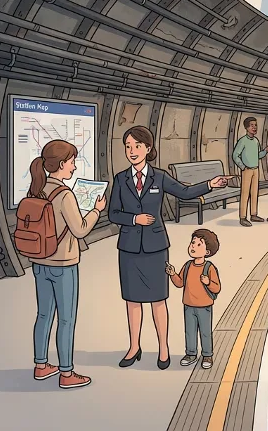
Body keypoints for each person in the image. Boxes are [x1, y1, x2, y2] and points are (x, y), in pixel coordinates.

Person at [109, 126, 230, 369]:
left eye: (137, 146)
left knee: (157, 300)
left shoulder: (160, 177)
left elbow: (184, 193)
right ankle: (134, 346)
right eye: (128, 146)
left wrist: (210, 184)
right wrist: (134, 219)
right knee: (132, 301)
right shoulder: (121, 179)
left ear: (148, 149)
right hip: (130, 247)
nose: (132, 151)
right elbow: (113, 213)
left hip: (155, 246)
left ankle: (163, 347)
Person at [26, 140, 105, 389]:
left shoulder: (37, 189)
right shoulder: (65, 194)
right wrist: (95, 210)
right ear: (61, 164)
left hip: (39, 262)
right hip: (63, 264)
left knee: (43, 314)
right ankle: (67, 373)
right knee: (67, 319)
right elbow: (80, 230)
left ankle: (41, 365)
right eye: (72, 162)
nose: (74, 167)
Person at [166, 229, 221, 369]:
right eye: (192, 242)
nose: (193, 246)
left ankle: (207, 355)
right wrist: (172, 274)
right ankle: (191, 353)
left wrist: (208, 282)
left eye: (198, 244)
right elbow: (180, 283)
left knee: (205, 331)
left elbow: (217, 288)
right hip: (189, 305)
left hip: (204, 306)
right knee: (190, 331)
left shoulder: (209, 268)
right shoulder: (188, 266)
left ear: (207, 252)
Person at [232, 117, 268, 227]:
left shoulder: (256, 141)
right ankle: (242, 217)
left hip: (256, 169)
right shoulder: (242, 141)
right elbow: (235, 155)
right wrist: (242, 166)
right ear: (246, 127)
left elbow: (258, 155)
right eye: (252, 125)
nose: (254, 127)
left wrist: (266, 150)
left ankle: (253, 214)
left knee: (255, 193)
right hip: (247, 170)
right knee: (245, 193)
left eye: (255, 125)